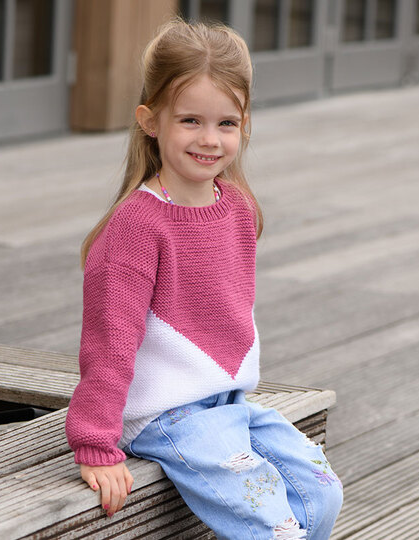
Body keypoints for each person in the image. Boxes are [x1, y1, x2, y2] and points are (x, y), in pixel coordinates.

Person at [65, 17, 343, 539]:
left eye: (226, 123)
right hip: (165, 414)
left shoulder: (236, 207)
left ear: (244, 125)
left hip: (228, 402)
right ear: (151, 121)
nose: (209, 140)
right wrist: (96, 442)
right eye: (190, 120)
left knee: (322, 493)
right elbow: (108, 343)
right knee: (274, 525)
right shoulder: (137, 227)